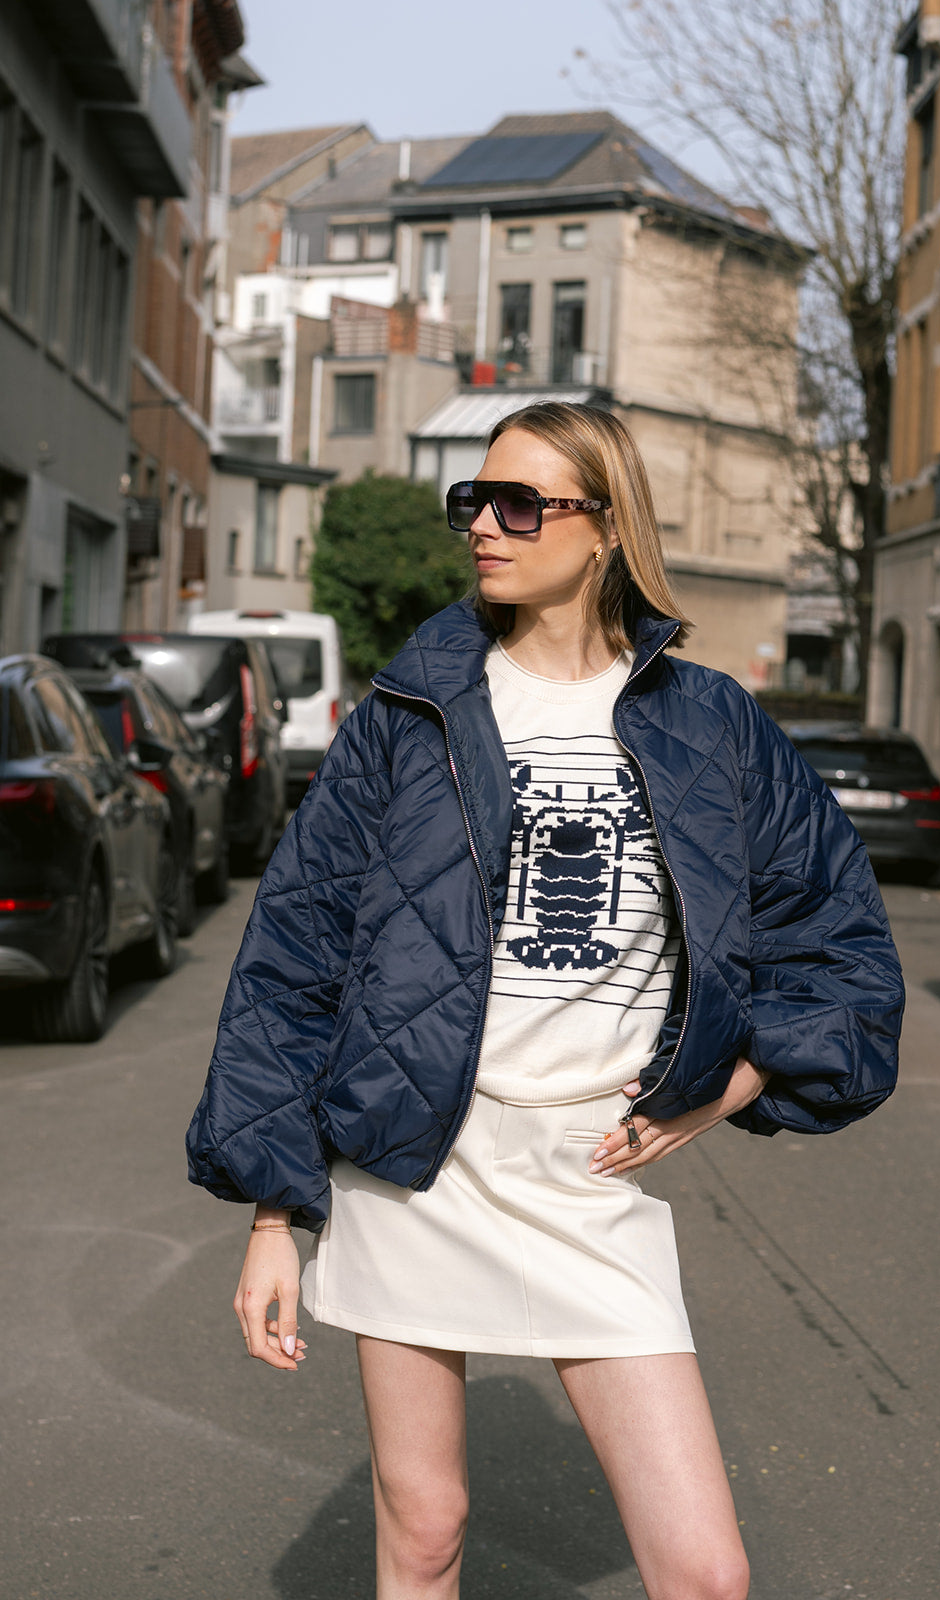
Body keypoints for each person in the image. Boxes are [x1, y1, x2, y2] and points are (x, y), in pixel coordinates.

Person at [187, 401, 903, 1600]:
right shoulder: (411, 714)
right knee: (425, 1532)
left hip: (588, 1175)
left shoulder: (709, 722)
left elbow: (837, 944)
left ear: (606, 525)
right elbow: (294, 956)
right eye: (474, 500)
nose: (484, 525)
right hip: (415, 1170)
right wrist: (272, 1215)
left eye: (521, 504)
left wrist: (729, 1084)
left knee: (705, 1572)